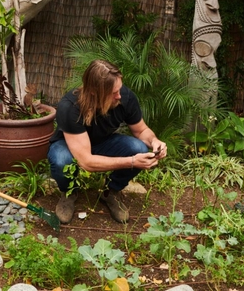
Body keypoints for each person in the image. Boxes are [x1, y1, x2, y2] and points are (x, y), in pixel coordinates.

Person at [47, 59, 167, 224]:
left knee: (139, 147)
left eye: (119, 89)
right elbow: (86, 162)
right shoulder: (70, 107)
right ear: (95, 92)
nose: (119, 95)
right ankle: (69, 193)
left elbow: (141, 130)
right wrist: (132, 162)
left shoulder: (124, 97)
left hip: (104, 142)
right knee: (61, 161)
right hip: (70, 146)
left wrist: (154, 141)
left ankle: (109, 192)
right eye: (113, 92)